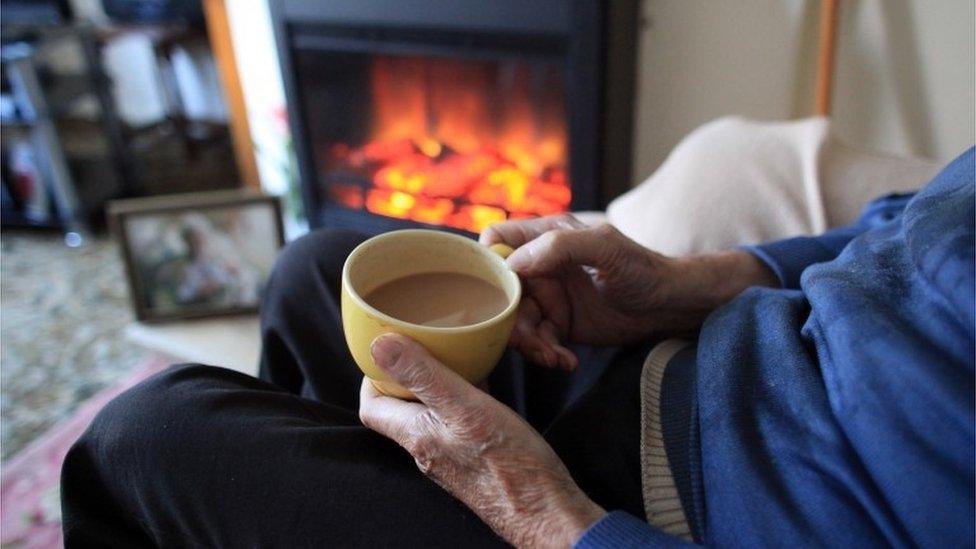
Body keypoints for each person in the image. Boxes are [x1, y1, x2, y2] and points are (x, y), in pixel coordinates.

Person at [61, 149, 974, 547]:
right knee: (314, 271)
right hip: (683, 369)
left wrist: (554, 520)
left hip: (668, 522)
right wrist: (689, 283)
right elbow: (901, 229)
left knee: (144, 441)